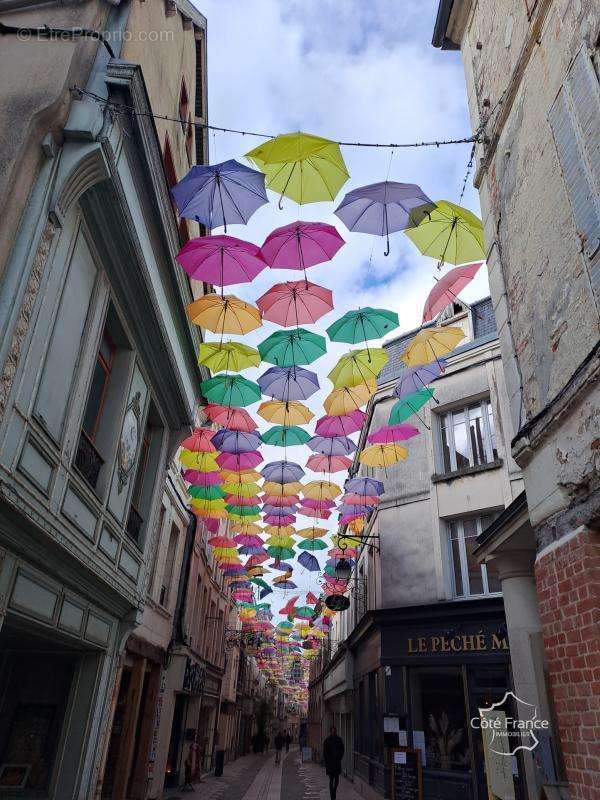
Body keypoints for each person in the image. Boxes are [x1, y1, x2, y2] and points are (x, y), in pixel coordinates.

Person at [323, 726, 344, 800]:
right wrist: (328, 761)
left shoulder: (339, 740)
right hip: (330, 764)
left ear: (336, 731)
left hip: (337, 763)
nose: (333, 732)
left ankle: (333, 791)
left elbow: (342, 750)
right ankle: (332, 796)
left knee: (337, 780)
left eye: (334, 731)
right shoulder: (327, 741)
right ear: (330, 732)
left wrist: (339, 757)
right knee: (331, 780)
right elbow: (325, 753)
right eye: (332, 731)